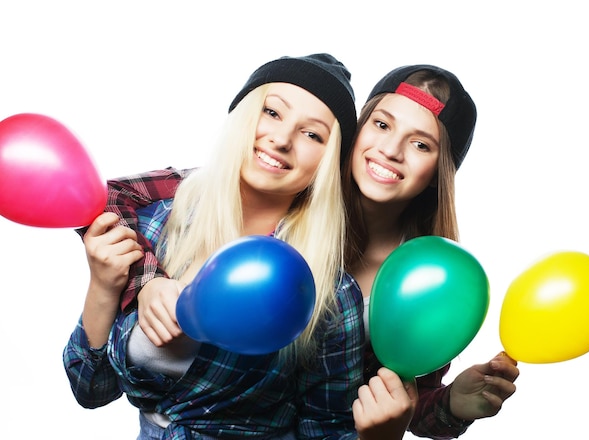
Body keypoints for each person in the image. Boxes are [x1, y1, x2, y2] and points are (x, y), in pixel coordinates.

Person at [63, 53, 365, 439]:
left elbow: (328, 431)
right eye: (272, 112)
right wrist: (109, 286)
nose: (282, 139)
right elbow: (90, 387)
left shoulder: (330, 293)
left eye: (312, 134)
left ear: (329, 161)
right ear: (242, 115)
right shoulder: (156, 225)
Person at [346, 65, 519, 439]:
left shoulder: (434, 280)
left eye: (420, 144)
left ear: (439, 171)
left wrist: (451, 403)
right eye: (381, 125)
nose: (390, 150)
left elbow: (403, 402)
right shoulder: (291, 210)